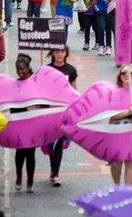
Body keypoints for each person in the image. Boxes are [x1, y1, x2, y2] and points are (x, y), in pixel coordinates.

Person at [45, 47, 76, 187]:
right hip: (48, 112)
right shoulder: (46, 69)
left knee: (59, 142)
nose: (60, 54)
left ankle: (55, 173)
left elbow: (74, 91)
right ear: (52, 53)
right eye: (57, 52)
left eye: (62, 52)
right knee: (51, 142)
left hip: (63, 112)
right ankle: (53, 170)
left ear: (66, 54)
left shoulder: (70, 70)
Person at [108, 65, 132, 185]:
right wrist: (127, 113)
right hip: (117, 131)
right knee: (116, 163)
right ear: (120, 76)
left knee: (130, 162)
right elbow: (110, 116)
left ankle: (127, 191)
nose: (127, 75)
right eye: (124, 73)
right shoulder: (114, 92)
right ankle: (117, 187)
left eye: (130, 73)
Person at [12, 55, 38, 192]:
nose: (20, 72)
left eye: (22, 69)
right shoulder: (15, 84)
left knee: (30, 154)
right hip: (19, 123)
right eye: (17, 69)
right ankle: (18, 177)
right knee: (20, 152)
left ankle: (30, 182)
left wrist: (36, 107)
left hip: (32, 123)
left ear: (28, 69)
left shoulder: (34, 82)